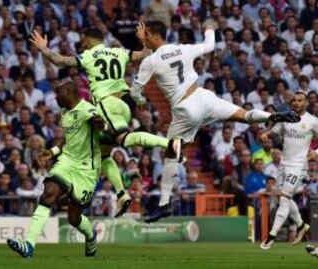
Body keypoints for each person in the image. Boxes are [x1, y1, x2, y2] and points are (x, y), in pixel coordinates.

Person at [129, 20, 301, 223]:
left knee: (170, 153)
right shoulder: (182, 49)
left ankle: (164, 204)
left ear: (156, 36)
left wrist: (140, 102)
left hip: (186, 108)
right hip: (205, 97)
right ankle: (273, 116)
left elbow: (135, 89)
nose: (144, 37)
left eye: (146, 34)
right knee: (244, 116)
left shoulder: (150, 61)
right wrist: (209, 27)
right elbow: (210, 45)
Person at [30, 26, 182, 217]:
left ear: (87, 39)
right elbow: (145, 53)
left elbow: (60, 61)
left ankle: (169, 143)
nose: (81, 44)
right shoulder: (118, 52)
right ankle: (122, 194)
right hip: (124, 104)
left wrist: (43, 48)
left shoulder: (88, 56)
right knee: (102, 155)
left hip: (106, 103)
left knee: (123, 139)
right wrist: (144, 40)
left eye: (82, 40)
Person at [6, 80, 102, 258]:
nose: (55, 97)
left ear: (69, 92)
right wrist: (53, 151)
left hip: (87, 168)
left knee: (74, 218)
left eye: (58, 94)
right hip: (67, 162)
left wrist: (99, 123)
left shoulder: (87, 110)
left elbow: (100, 125)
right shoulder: (65, 112)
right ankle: (29, 245)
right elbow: (69, 139)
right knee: (48, 192)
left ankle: (91, 236)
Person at [260, 92, 313, 250]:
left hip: (299, 166)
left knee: (284, 199)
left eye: (300, 100)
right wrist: (265, 135)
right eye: (294, 100)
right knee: (285, 198)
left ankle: (272, 235)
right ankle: (301, 225)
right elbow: (274, 131)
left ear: (306, 103)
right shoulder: (287, 118)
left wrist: (315, 153)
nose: (296, 103)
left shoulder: (313, 121)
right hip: (283, 164)